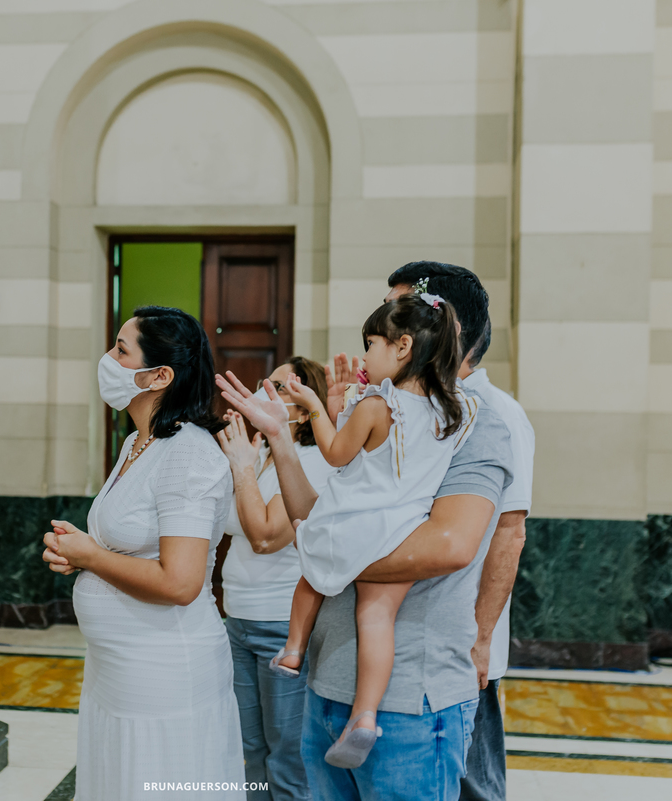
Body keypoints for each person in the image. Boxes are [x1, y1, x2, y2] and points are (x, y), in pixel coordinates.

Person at [216, 263, 512, 801]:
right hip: (328, 682)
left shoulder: (476, 420)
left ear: (414, 340)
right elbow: (317, 513)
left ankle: (311, 662)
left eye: (384, 328)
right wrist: (280, 435)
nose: (366, 350)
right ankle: (307, 658)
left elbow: (451, 545)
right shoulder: (390, 409)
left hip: (411, 704)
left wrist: (328, 557)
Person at [41, 307, 245, 801]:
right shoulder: (139, 441)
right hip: (118, 671)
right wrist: (81, 551)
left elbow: (180, 582)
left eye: (120, 349)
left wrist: (91, 556)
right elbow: (130, 544)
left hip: (164, 672)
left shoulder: (189, 454)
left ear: (159, 376)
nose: (107, 358)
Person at [269, 292, 476, 770]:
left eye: (371, 344)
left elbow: (337, 454)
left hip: (354, 522)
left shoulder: (378, 405)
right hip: (405, 529)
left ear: (402, 346)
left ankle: (294, 651)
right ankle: (365, 715)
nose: (364, 356)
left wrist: (315, 407)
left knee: (311, 571)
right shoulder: (456, 411)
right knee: (377, 619)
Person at [383, 266, 534, 801]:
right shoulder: (409, 405)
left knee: (468, 783)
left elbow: (507, 535)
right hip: (400, 636)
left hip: (454, 643)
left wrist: (481, 642)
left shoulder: (495, 415)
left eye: (402, 314)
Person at [215, 357, 336, 801]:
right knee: (250, 751)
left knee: (287, 758)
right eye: (268, 385)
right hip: (238, 620)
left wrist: (241, 469)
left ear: (305, 410)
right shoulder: (260, 452)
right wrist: (243, 462)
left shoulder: (310, 461)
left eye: (282, 389)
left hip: (280, 624)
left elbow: (266, 537)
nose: (268, 393)